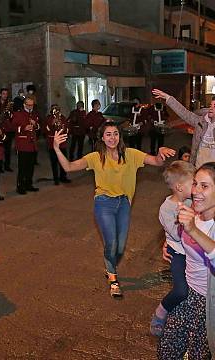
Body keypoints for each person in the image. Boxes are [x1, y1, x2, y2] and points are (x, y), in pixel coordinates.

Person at [52, 121, 176, 297]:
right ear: (102, 138)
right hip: (104, 203)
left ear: (120, 136)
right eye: (108, 134)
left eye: (115, 133)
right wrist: (57, 148)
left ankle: (110, 266)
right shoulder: (95, 157)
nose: (112, 137)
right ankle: (113, 278)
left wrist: (161, 153)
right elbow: (69, 167)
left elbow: (155, 161)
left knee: (120, 248)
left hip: (124, 204)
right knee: (111, 244)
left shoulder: (131, 154)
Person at [157, 162, 215, 360]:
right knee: (167, 350)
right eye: (195, 183)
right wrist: (169, 243)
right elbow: (182, 236)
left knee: (200, 355)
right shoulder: (194, 213)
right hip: (187, 295)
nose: (196, 191)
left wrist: (193, 231)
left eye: (204, 186)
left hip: (209, 303)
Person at [152, 87, 215, 177]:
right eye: (210, 105)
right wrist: (168, 98)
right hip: (200, 169)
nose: (211, 107)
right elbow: (184, 113)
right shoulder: (200, 121)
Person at [149, 161, 195, 337]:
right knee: (181, 290)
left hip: (195, 253)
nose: (196, 187)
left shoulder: (192, 201)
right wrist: (186, 220)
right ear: (179, 187)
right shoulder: (166, 209)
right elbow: (176, 235)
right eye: (193, 183)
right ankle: (160, 313)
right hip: (178, 253)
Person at [13, 96, 40, 194]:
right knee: (22, 167)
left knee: (31, 167)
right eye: (28, 105)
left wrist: (35, 125)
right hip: (23, 144)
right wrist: (24, 128)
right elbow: (13, 127)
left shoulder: (34, 114)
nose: (30, 107)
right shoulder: (18, 114)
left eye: (32, 105)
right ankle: (20, 186)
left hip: (32, 145)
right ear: (24, 104)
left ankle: (29, 184)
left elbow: (38, 127)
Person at [44, 105, 71, 185]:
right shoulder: (48, 118)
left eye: (57, 109)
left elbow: (66, 127)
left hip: (62, 143)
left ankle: (63, 177)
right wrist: (52, 123)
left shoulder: (63, 117)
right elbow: (45, 129)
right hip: (52, 143)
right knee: (54, 161)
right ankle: (56, 178)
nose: (56, 110)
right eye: (54, 108)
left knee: (63, 160)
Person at [0, 88, 15, 171]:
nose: (5, 95)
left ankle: (7, 166)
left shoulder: (10, 104)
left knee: (7, 149)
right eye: (3, 94)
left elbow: (13, 116)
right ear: (0, 94)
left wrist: (10, 114)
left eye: (6, 94)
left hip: (7, 129)